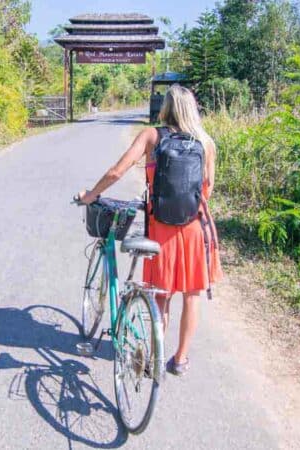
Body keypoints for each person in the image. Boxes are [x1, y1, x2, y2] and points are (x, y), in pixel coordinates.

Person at [77, 84, 223, 376]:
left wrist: (91, 195)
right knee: (192, 295)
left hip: (162, 228)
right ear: (193, 109)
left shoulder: (152, 136)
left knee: (162, 295)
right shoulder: (206, 143)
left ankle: (154, 356)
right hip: (196, 228)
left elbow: (117, 172)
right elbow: (208, 189)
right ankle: (180, 359)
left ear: (165, 108)